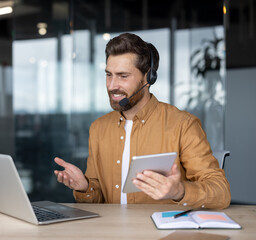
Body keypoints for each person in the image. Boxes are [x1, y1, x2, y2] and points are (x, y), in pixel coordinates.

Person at [54, 33, 231, 209]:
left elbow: (221, 192)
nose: (111, 85)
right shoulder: (99, 128)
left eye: (123, 76)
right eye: (109, 75)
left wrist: (180, 191)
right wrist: (85, 186)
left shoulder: (182, 124)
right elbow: (100, 199)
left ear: (148, 78)